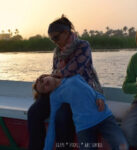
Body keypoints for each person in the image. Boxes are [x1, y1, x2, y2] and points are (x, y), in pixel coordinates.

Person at [27, 15, 104, 150]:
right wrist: (46, 79)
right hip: (60, 91)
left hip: (78, 92)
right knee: (33, 112)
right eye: (52, 39)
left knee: (62, 116)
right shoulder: (57, 52)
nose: (55, 42)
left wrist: (52, 76)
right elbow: (57, 74)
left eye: (56, 37)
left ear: (66, 32)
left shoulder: (83, 46)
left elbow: (73, 70)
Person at [33, 74, 128, 150]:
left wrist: (100, 97)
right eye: (43, 88)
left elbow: (93, 89)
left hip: (104, 118)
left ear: (47, 76)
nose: (45, 84)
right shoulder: (55, 96)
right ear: (47, 92)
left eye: (42, 80)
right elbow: (52, 124)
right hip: (84, 127)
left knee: (122, 146)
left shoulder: (75, 77)